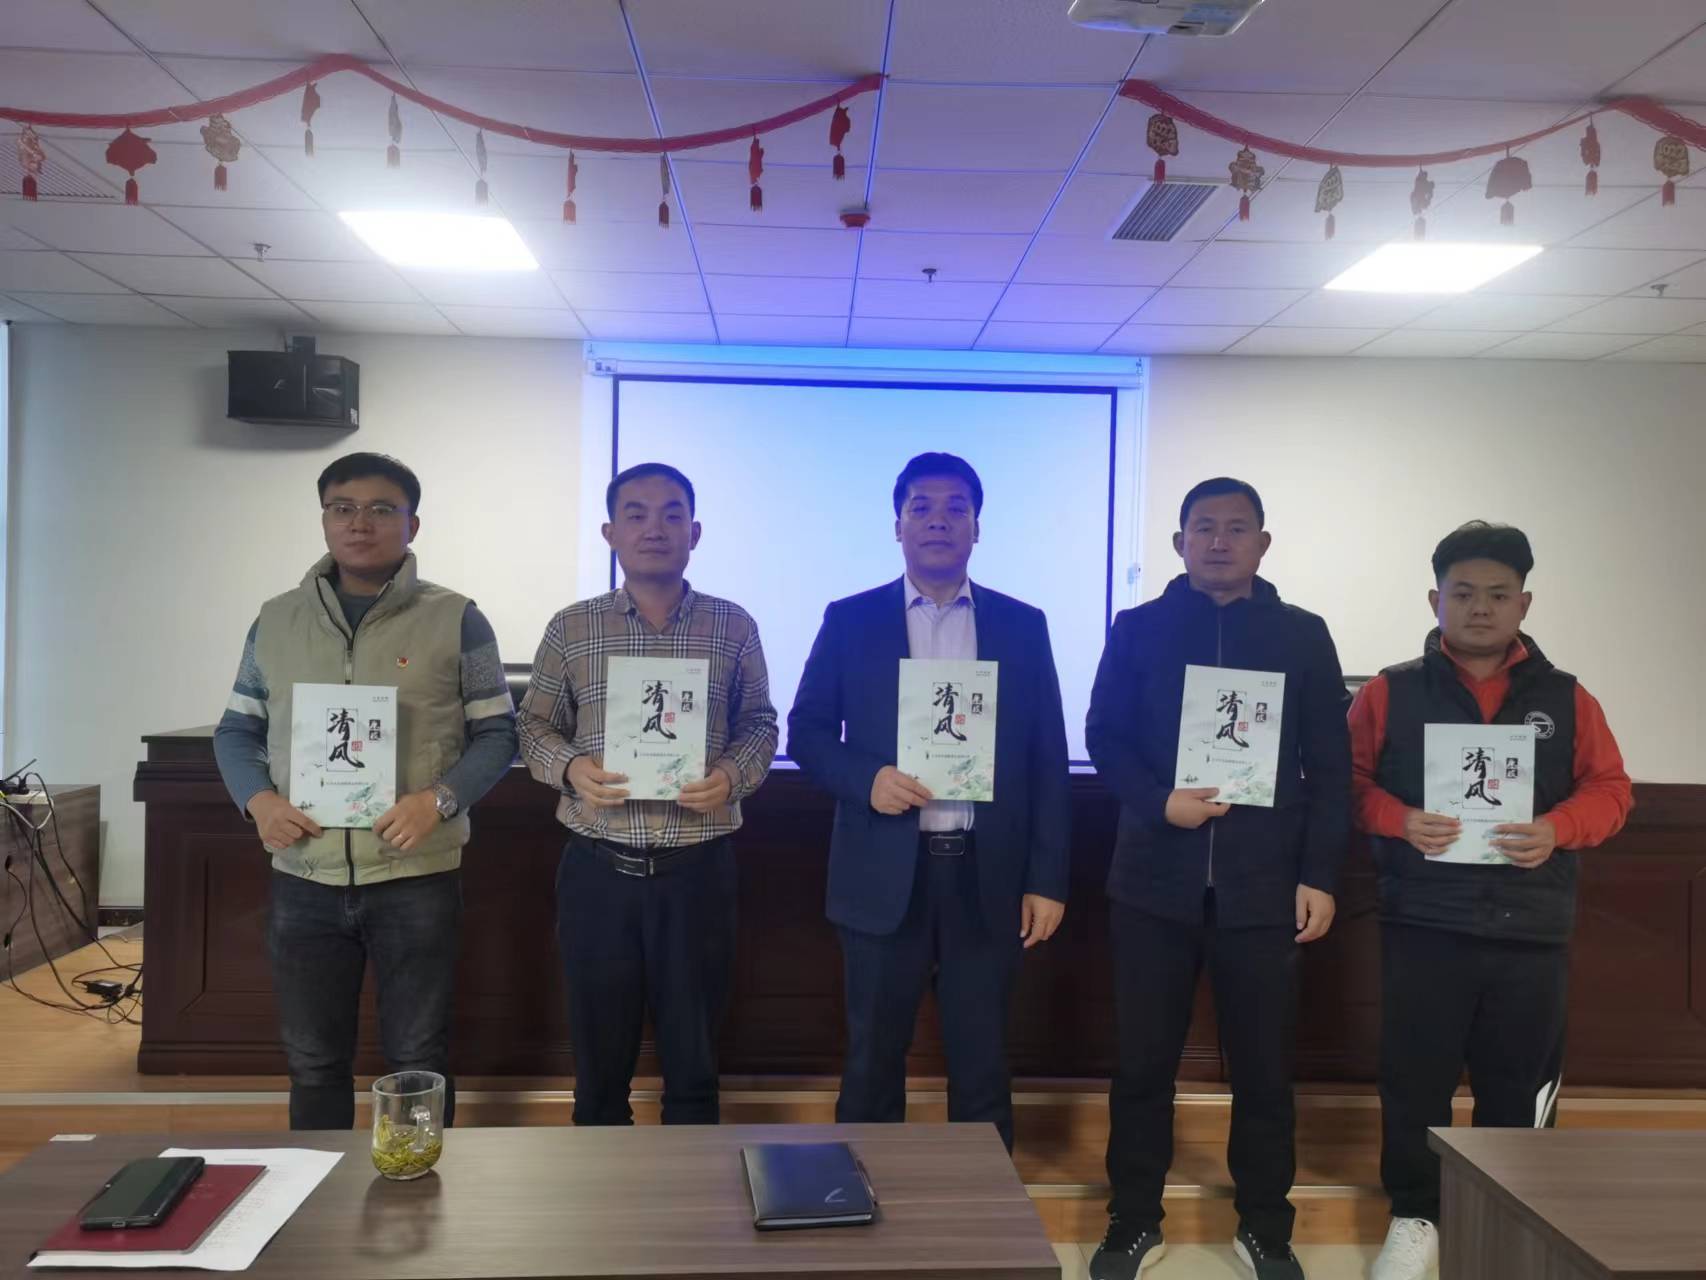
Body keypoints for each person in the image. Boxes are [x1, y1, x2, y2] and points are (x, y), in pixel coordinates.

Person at [1352, 521, 1633, 1280]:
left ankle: (1511, 1224)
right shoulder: (1389, 691)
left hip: (1530, 929)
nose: (1481, 607)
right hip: (1424, 921)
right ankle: (1417, 1218)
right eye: (1465, 592)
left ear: (1524, 604)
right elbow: (1347, 783)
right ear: (1435, 600)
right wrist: (1398, 819)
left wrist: (1556, 829)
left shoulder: (1567, 698)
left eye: (1499, 594)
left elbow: (1611, 791)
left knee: (1518, 1087)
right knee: (1416, 1081)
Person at [1086, 477, 1350, 1280]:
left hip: (1264, 887)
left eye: (1238, 528)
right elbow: (1104, 735)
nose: (1220, 541)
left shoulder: (1302, 636)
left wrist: (1319, 874)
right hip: (1152, 884)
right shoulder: (1138, 629)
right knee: (1142, 1066)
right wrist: (1158, 801)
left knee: (1265, 1069)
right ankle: (1133, 1219)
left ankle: (1266, 1225)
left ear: (1263, 544)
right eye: (1204, 527)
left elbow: (1330, 766)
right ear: (1180, 543)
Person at [213, 452, 517, 1130]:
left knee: (419, 1055)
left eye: (382, 509)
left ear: (412, 524)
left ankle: (419, 1179)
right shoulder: (275, 619)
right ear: (324, 519)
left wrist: (438, 800)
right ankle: (318, 1183)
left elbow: (499, 734)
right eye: (343, 508)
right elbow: (236, 730)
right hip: (304, 875)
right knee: (313, 1059)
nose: (360, 523)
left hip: (416, 875)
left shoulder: (458, 618)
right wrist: (259, 801)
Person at [787, 452, 1070, 1153]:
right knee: (873, 1060)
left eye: (955, 508)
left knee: (982, 1064)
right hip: (883, 875)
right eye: (921, 507)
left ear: (978, 526)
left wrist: (1047, 879)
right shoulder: (851, 620)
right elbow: (808, 732)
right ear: (898, 525)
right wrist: (867, 779)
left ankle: (983, 1212)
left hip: (986, 875)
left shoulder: (1022, 625)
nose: (938, 520)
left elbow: (1047, 757)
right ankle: (858, 1201)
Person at [517, 462, 777, 1126]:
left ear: (695, 532)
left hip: (698, 874)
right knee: (600, 1073)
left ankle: (691, 1190)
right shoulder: (572, 626)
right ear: (610, 533)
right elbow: (533, 726)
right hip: (598, 872)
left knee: (694, 1068)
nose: (653, 529)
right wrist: (571, 768)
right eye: (635, 514)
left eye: (670, 514)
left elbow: (759, 723)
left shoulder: (732, 625)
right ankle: (603, 1192)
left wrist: (732, 776)